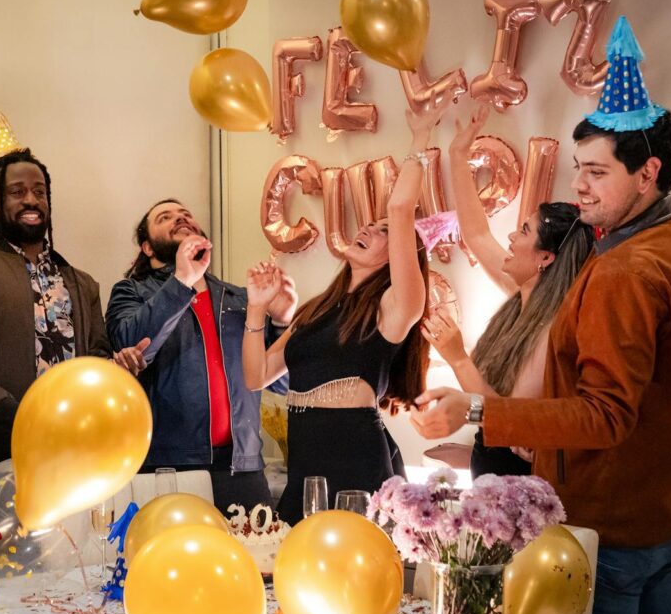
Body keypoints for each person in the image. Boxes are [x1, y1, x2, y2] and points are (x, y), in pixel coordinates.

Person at [411, 17, 671, 614]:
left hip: (615, 528)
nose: (578, 186)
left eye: (597, 172)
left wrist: (476, 411)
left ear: (649, 172)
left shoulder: (626, 271)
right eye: (578, 167)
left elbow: (604, 413)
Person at [241, 108, 431, 526]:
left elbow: (401, 209)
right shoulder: (315, 309)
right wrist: (257, 306)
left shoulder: (395, 308)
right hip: (304, 470)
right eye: (372, 224)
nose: (370, 229)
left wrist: (419, 141)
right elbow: (256, 377)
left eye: (383, 231)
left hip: (357, 468)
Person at [0, 147, 144, 500]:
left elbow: (95, 357)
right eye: (17, 192)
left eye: (40, 191)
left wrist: (117, 368)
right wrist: (20, 414)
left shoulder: (80, 282)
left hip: (77, 459)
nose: (31, 200)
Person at [421, 104, 595, 477]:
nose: (513, 238)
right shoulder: (522, 296)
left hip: (516, 482)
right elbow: (477, 233)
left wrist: (457, 358)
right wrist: (457, 154)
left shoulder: (552, 327)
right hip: (490, 466)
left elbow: (510, 419)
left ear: (546, 258)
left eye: (525, 232)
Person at [105, 199, 297, 513]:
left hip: (242, 467)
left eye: (185, 215)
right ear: (148, 248)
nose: (180, 219)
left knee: (252, 561)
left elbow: (285, 384)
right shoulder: (131, 292)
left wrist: (281, 322)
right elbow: (131, 345)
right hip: (168, 466)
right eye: (165, 218)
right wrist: (182, 281)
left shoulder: (240, 298)